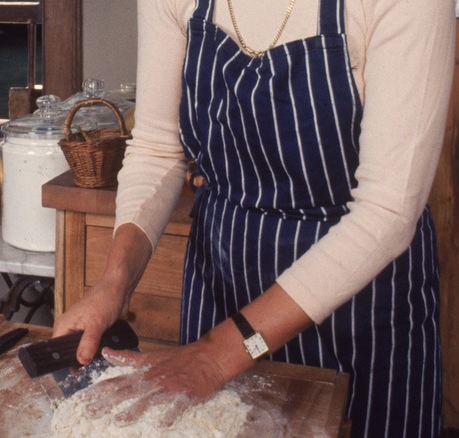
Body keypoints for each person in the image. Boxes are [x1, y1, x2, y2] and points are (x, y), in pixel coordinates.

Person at [51, 0, 455, 436]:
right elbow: (158, 149)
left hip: (360, 307)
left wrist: (217, 355)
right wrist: (115, 283)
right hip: (224, 285)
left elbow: (387, 211)